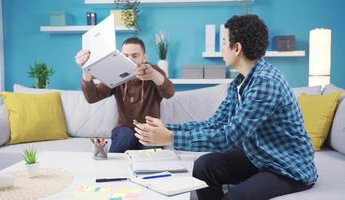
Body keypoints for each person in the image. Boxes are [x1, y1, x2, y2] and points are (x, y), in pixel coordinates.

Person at [133, 15, 317, 200]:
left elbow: (229, 137)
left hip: (286, 166)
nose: (221, 48)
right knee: (205, 165)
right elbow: (215, 123)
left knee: (237, 196)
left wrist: (170, 137)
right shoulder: (240, 82)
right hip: (259, 156)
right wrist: (167, 128)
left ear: (237, 48)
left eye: (223, 42)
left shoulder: (265, 84)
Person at [75, 37, 174, 153]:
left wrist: (154, 75)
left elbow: (169, 93)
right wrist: (86, 70)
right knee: (125, 136)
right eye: (125, 56)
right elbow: (92, 97)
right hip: (124, 130)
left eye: (135, 56)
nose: (129, 59)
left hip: (149, 130)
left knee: (151, 152)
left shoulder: (154, 71)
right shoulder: (116, 73)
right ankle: (109, 169)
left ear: (144, 58)